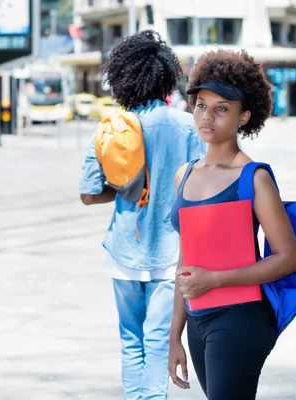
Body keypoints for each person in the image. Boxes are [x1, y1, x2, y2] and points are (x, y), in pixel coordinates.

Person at [78, 30, 205, 400]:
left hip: (123, 250)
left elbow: (88, 195)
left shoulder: (110, 129)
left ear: (122, 78)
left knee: (130, 339)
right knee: (159, 338)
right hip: (173, 252)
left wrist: (125, 189)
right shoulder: (189, 126)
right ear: (167, 77)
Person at [167, 49, 296, 400]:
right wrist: (174, 336)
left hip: (240, 318)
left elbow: (288, 258)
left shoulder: (253, 178)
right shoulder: (184, 174)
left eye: (221, 108)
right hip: (197, 319)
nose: (207, 116)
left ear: (244, 117)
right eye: (200, 104)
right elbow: (184, 262)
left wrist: (215, 280)